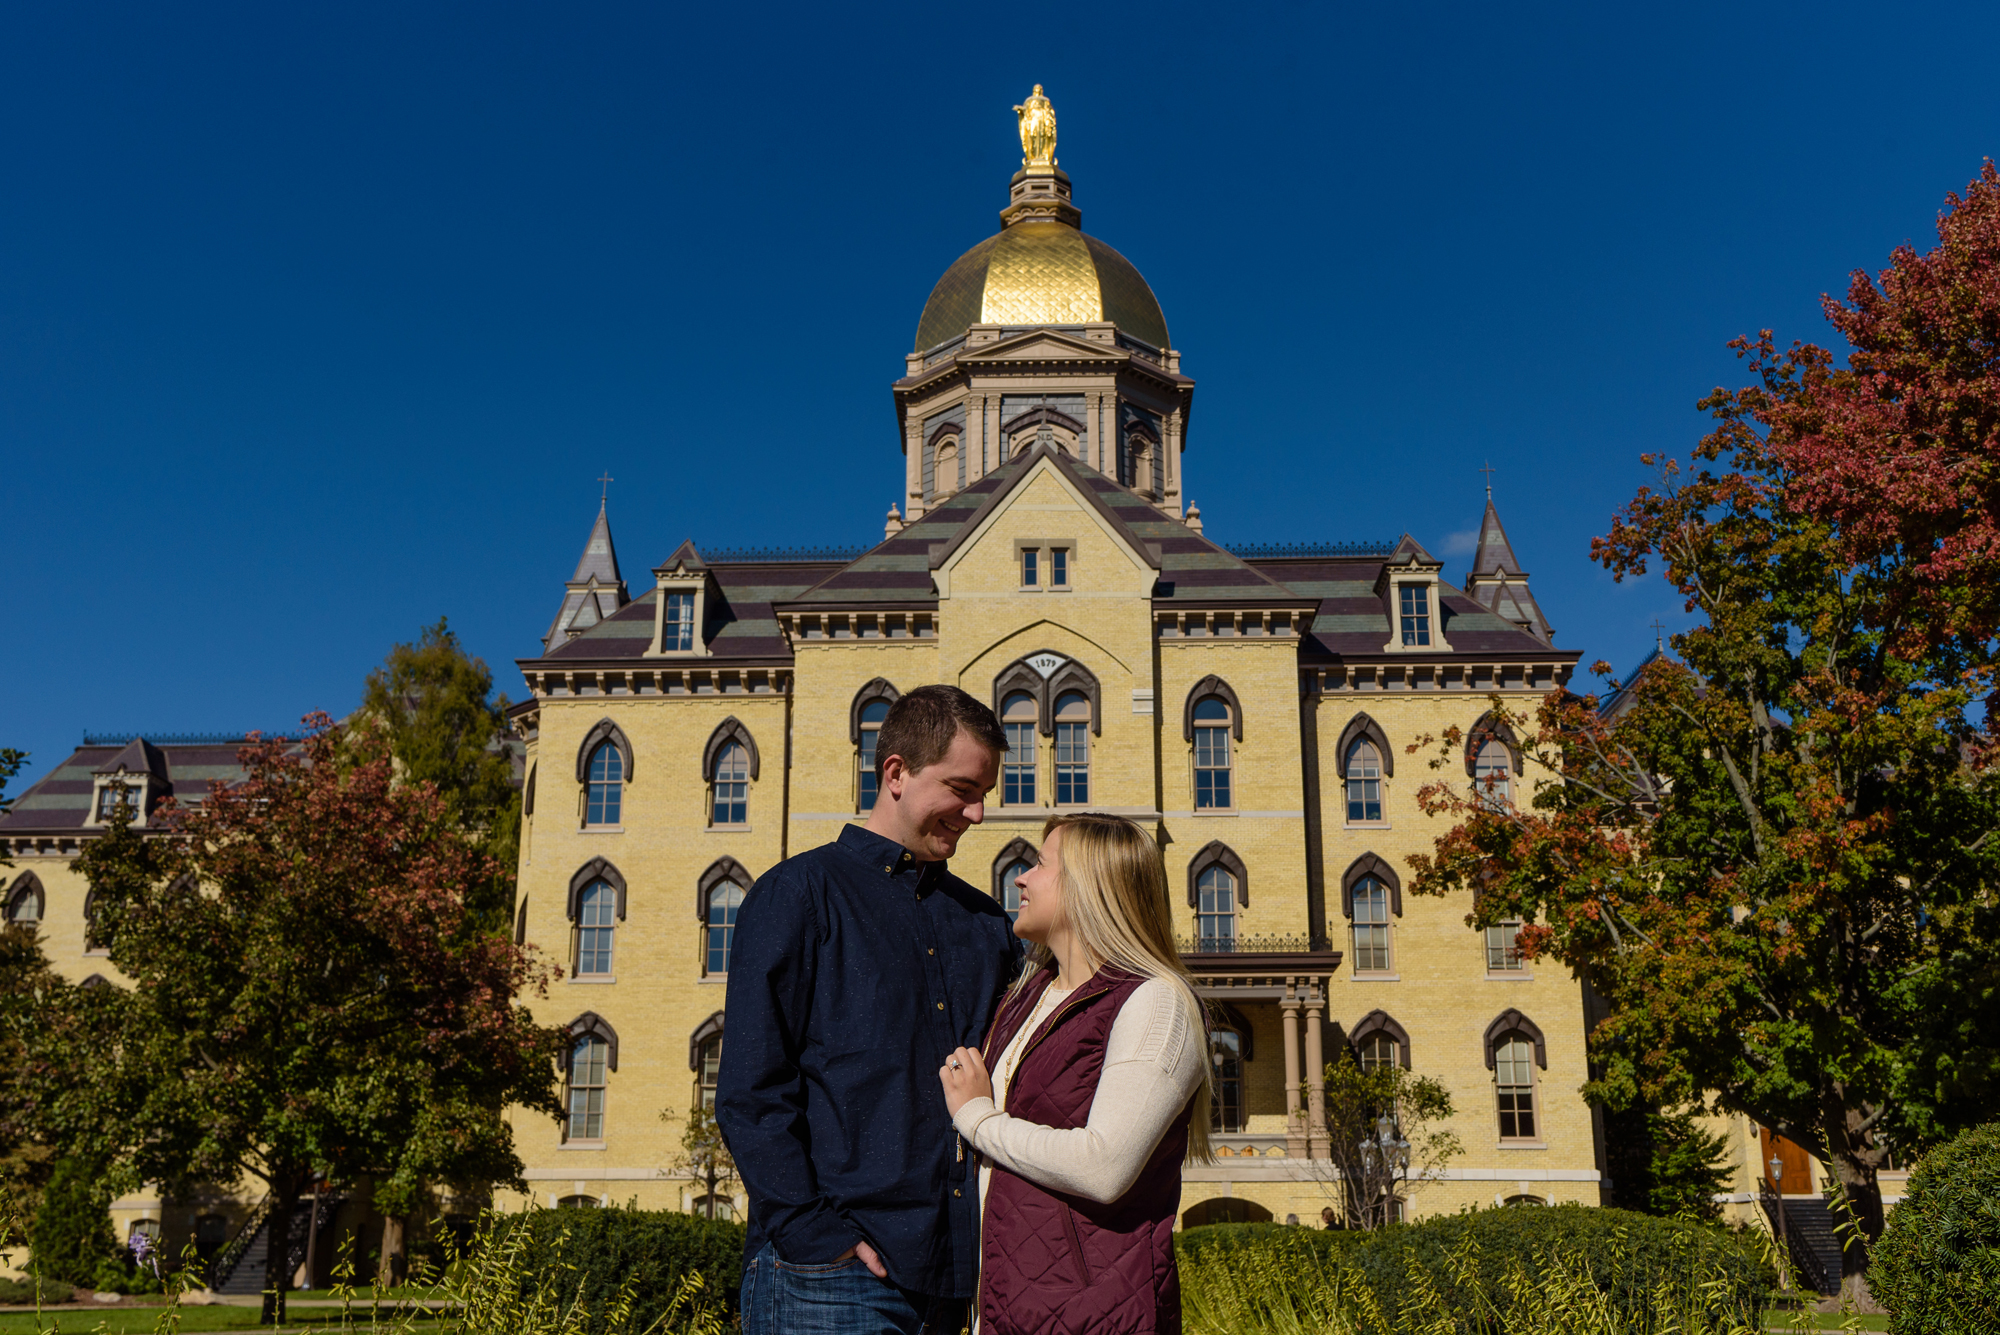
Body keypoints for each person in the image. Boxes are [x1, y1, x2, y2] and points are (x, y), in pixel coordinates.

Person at [718, 685, 1021, 1335]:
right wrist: (811, 1233)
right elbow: (751, 1091)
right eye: (962, 788)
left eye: (984, 793)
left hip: (950, 1283)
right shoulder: (796, 896)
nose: (976, 813)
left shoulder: (986, 925)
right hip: (825, 1279)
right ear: (895, 773)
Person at [939, 813, 1212, 1335]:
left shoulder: (1155, 1001)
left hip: (1095, 1317)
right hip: (1002, 1310)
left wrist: (977, 1119)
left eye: (1041, 865)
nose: (1021, 877)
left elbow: (1104, 1167)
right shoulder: (1026, 997)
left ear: (1089, 887)